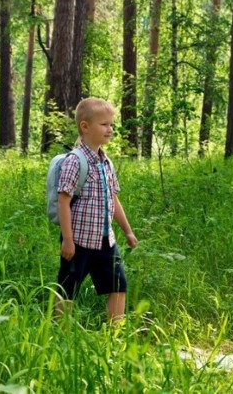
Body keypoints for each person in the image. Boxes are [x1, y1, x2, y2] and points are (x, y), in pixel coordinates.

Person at [56, 97, 138, 321]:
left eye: (111, 124)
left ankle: (115, 335)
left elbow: (113, 199)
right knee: (67, 287)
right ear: (85, 126)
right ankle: (58, 333)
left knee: (118, 284)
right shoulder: (75, 161)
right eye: (104, 124)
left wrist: (128, 231)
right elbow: (63, 201)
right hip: (79, 241)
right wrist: (68, 239)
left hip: (105, 241)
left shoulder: (106, 162)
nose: (110, 129)